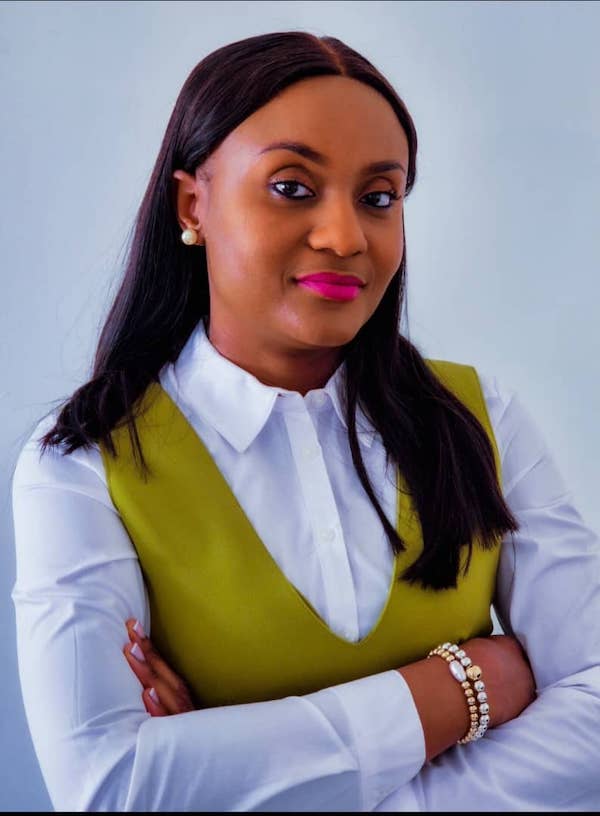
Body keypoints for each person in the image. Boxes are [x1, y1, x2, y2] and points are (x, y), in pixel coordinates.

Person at [11, 30, 600, 812]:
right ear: (194, 204)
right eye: (292, 187)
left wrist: (244, 773)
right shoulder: (83, 465)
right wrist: (462, 692)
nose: (346, 237)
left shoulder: (480, 420)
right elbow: (109, 785)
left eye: (379, 197)